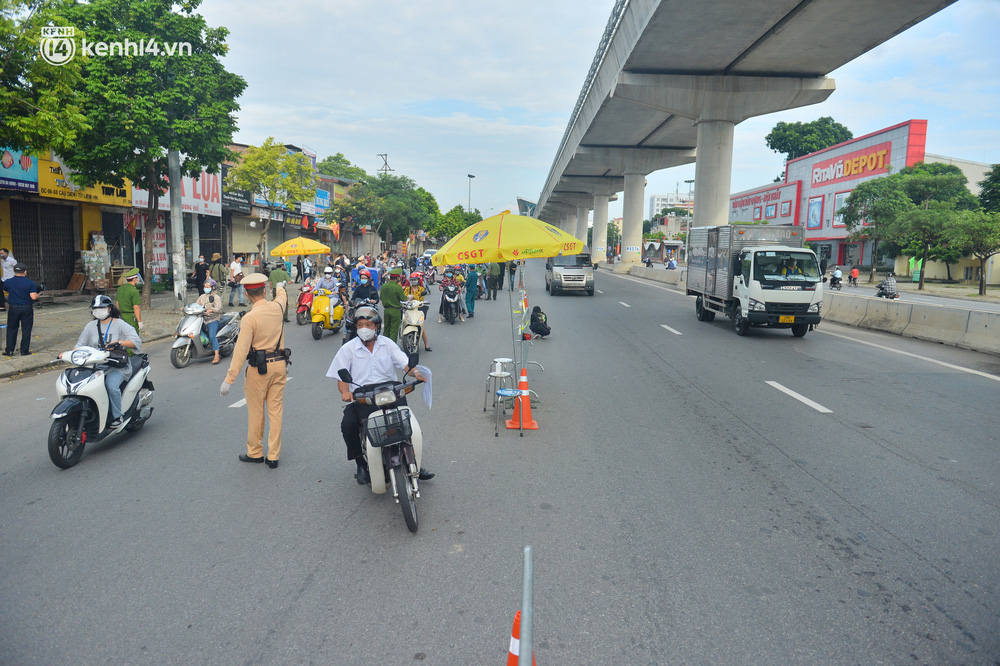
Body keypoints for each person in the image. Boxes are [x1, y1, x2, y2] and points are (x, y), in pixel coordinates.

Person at [326, 305, 433, 485]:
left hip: (390, 392)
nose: (364, 328)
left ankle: (412, 461)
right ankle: (361, 464)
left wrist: (415, 373)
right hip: (362, 396)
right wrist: (345, 392)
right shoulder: (348, 349)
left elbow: (405, 364)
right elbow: (341, 377)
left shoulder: (387, 344)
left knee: (408, 425)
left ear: (377, 327)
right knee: (348, 425)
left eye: (368, 324)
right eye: (360, 325)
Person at [220, 273, 287, 469]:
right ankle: (273, 456)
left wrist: (229, 379)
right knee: (275, 412)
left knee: (256, 412)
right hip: (280, 365)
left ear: (247, 295)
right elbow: (282, 296)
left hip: (259, 371)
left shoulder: (249, 318)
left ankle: (255, 452)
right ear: (265, 291)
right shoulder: (278, 307)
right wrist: (280, 286)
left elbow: (240, 352)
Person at [74, 295, 142, 427]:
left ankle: (117, 417)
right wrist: (68, 353)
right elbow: (80, 345)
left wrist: (120, 342)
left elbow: (136, 341)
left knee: (111, 385)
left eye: (102, 307)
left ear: (110, 308)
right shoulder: (90, 326)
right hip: (96, 367)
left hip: (117, 367)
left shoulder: (120, 324)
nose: (98, 310)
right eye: (95, 308)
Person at [3, 263, 39, 356]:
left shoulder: (8, 282)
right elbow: (34, 297)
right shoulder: (30, 283)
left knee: (11, 329)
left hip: (13, 308)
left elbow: (5, 290)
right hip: (26, 308)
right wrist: (39, 294)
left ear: (14, 271)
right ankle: (24, 350)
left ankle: (10, 350)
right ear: (25, 272)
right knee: (26, 330)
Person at [196, 279, 225, 364]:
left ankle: (216, 355)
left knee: (212, 336)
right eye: (205, 287)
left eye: (208, 287)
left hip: (213, 319)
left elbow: (218, 307)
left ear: (212, 288)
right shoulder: (202, 297)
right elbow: (196, 305)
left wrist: (211, 310)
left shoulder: (216, 297)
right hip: (202, 318)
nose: (206, 288)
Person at [403, 272, 432, 351]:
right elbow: (404, 298)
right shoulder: (407, 289)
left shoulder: (421, 289)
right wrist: (408, 298)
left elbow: (421, 299)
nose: (413, 281)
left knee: (422, 326)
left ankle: (426, 345)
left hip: (419, 308)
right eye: (412, 279)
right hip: (409, 308)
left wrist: (413, 297)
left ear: (418, 280)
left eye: (415, 279)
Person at [380, 267, 407, 342]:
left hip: (386, 310)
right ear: (397, 278)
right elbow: (403, 299)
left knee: (386, 330)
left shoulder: (384, 286)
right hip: (395, 311)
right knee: (393, 331)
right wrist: (410, 297)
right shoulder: (398, 287)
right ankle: (392, 347)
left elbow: (381, 298)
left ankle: (384, 345)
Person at [116, 267, 143, 336]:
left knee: (123, 336)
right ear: (134, 279)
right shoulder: (134, 291)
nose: (138, 279)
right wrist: (140, 321)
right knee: (133, 337)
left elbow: (117, 304)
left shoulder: (120, 289)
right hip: (131, 317)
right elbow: (136, 307)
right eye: (137, 278)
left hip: (122, 316)